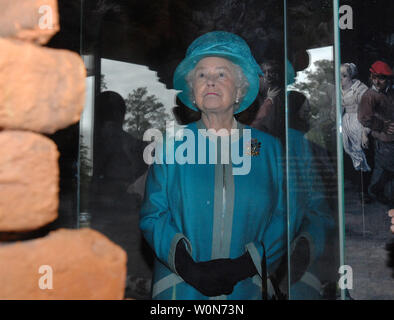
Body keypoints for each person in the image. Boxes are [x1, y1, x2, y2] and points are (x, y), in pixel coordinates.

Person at [140, 31, 288, 300]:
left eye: (222, 74)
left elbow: (284, 216)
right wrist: (190, 269)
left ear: (240, 90)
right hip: (180, 291)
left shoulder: (268, 150)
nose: (210, 81)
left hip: (247, 291)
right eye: (201, 75)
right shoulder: (171, 147)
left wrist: (243, 267)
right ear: (192, 92)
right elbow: (153, 216)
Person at [358, 61, 394, 205]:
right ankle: (375, 191)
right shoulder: (369, 95)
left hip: (390, 140)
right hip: (384, 139)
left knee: (386, 170)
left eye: (381, 78)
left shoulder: (390, 92)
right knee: (387, 169)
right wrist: (382, 126)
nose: (377, 81)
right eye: (374, 77)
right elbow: (363, 117)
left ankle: (381, 193)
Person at [340, 63, 371, 201]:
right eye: (339, 76)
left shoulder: (360, 89)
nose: (341, 79)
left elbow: (368, 111)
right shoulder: (338, 89)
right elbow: (338, 108)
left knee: (361, 154)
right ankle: (353, 186)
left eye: (344, 76)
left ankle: (363, 191)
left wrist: (365, 132)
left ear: (351, 76)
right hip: (345, 122)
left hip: (358, 121)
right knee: (348, 152)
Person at [250, 60, 285, 143]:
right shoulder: (251, 99)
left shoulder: (283, 98)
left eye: (271, 72)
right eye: (263, 73)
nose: (267, 76)